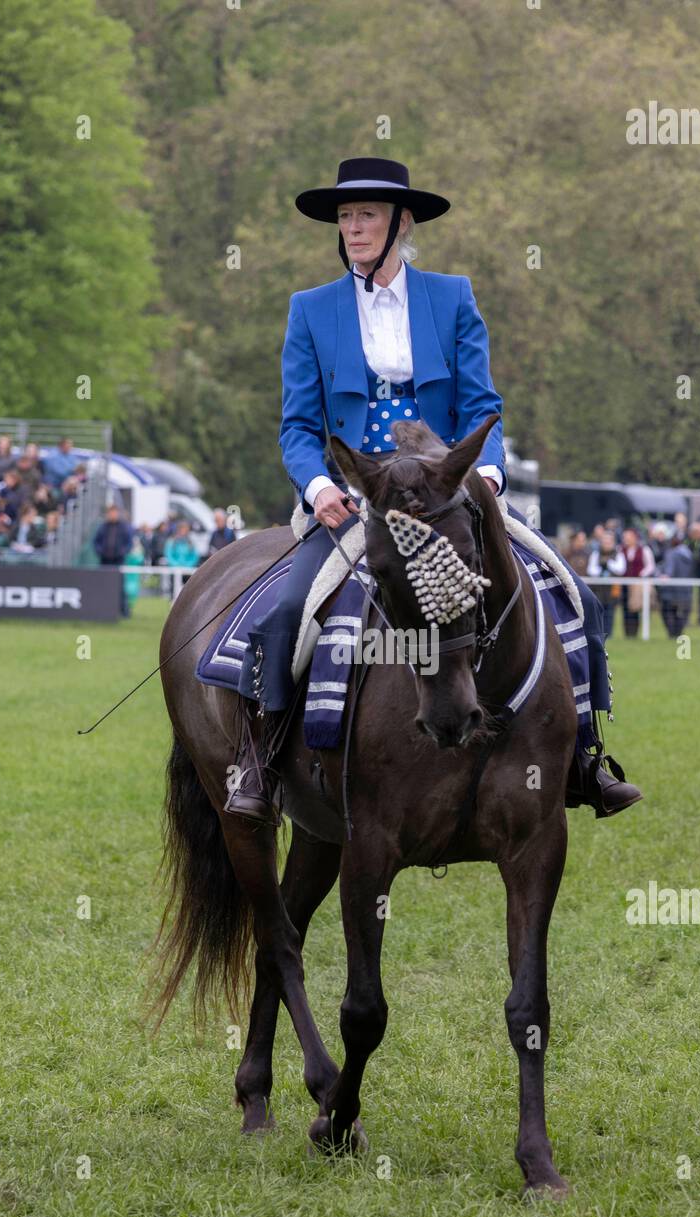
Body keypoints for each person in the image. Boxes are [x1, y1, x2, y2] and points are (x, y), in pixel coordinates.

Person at [225, 156, 641, 821]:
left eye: (366, 216)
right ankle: (261, 762)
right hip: (356, 496)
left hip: (450, 493)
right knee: (287, 612)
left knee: (579, 599)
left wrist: (487, 474)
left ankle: (584, 758)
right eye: (344, 217)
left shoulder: (451, 297)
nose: (353, 228)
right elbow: (298, 425)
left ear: (401, 223)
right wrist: (314, 485)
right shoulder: (310, 310)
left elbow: (481, 406)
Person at [93, 503, 134, 616]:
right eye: (110, 512)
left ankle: (124, 611)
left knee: (120, 587)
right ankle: (103, 609)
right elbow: (96, 542)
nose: (112, 515)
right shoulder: (103, 527)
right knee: (103, 586)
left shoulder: (123, 527)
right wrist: (100, 551)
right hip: (104, 561)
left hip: (118, 561)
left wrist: (122, 552)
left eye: (114, 512)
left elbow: (129, 543)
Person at [586, 530, 625, 638]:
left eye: (609, 541)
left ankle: (609, 634)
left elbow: (621, 569)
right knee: (599, 612)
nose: (606, 544)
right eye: (604, 541)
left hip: (612, 589)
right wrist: (600, 569)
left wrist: (608, 563)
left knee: (610, 612)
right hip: (598, 589)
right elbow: (591, 570)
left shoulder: (618, 554)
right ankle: (600, 633)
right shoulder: (596, 554)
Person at [620, 526, 655, 637]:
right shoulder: (620, 550)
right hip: (625, 584)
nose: (626, 539)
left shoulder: (644, 550)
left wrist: (641, 574)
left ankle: (635, 632)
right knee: (625, 608)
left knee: (636, 608)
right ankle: (628, 633)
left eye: (628, 537)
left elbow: (650, 565)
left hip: (638, 584)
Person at [659, 533, 694, 637]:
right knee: (681, 613)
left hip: (671, 590)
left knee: (668, 612)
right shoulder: (689, 554)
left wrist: (663, 576)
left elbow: (669, 571)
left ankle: (672, 634)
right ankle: (678, 634)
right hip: (686, 590)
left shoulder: (672, 553)